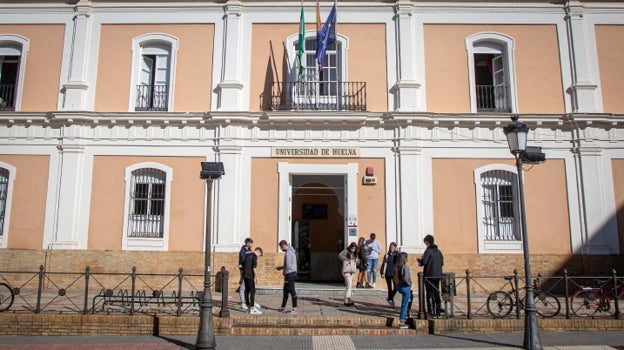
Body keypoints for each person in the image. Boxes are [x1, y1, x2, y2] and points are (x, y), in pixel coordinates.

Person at [417, 234, 444, 318]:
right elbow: (442, 263)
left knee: (430, 293)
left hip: (429, 275)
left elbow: (424, 262)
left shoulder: (428, 251)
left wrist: (419, 261)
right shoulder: (439, 251)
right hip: (438, 275)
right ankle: (438, 312)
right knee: (437, 292)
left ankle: (431, 311)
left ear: (427, 242)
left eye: (425, 243)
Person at [238, 238, 261, 311]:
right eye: (251, 243)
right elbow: (243, 261)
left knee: (248, 289)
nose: (252, 245)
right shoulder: (243, 251)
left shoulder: (250, 251)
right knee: (243, 287)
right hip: (244, 270)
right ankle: (243, 303)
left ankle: (251, 303)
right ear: (247, 243)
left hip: (249, 272)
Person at [276, 240, 298, 314]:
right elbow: (289, 264)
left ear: (284, 246)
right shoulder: (292, 251)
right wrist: (282, 267)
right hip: (292, 273)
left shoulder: (288, 253)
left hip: (289, 274)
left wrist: (284, 271)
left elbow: (288, 265)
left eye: (281, 247)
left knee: (292, 290)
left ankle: (294, 309)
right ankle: (283, 307)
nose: (281, 249)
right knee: (285, 291)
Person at [242, 247, 264, 314]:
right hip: (250, 276)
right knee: (253, 290)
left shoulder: (247, 255)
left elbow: (243, 265)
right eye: (259, 255)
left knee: (247, 291)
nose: (258, 257)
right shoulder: (254, 256)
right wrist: (257, 277)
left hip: (245, 275)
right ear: (258, 252)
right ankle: (252, 308)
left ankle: (249, 307)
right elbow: (254, 268)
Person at [394, 251, 411, 329]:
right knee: (405, 304)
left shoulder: (397, 266)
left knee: (411, 297)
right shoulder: (405, 266)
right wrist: (410, 284)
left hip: (399, 285)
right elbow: (406, 278)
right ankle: (402, 321)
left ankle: (407, 314)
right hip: (405, 286)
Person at [338, 242, 358, 306]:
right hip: (346, 271)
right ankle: (347, 300)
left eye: (354, 248)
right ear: (350, 247)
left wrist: (357, 261)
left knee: (349, 286)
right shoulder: (346, 251)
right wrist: (347, 259)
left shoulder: (355, 253)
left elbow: (358, 262)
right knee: (349, 284)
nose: (353, 249)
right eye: (352, 248)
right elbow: (339, 255)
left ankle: (347, 300)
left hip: (352, 271)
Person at [380, 242, 398, 307]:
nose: (391, 248)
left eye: (393, 247)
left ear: (395, 247)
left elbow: (399, 259)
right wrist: (382, 272)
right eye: (390, 246)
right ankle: (391, 300)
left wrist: (397, 251)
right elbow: (384, 263)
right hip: (388, 273)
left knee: (396, 287)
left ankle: (390, 297)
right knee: (389, 287)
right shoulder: (387, 255)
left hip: (394, 273)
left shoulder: (396, 254)